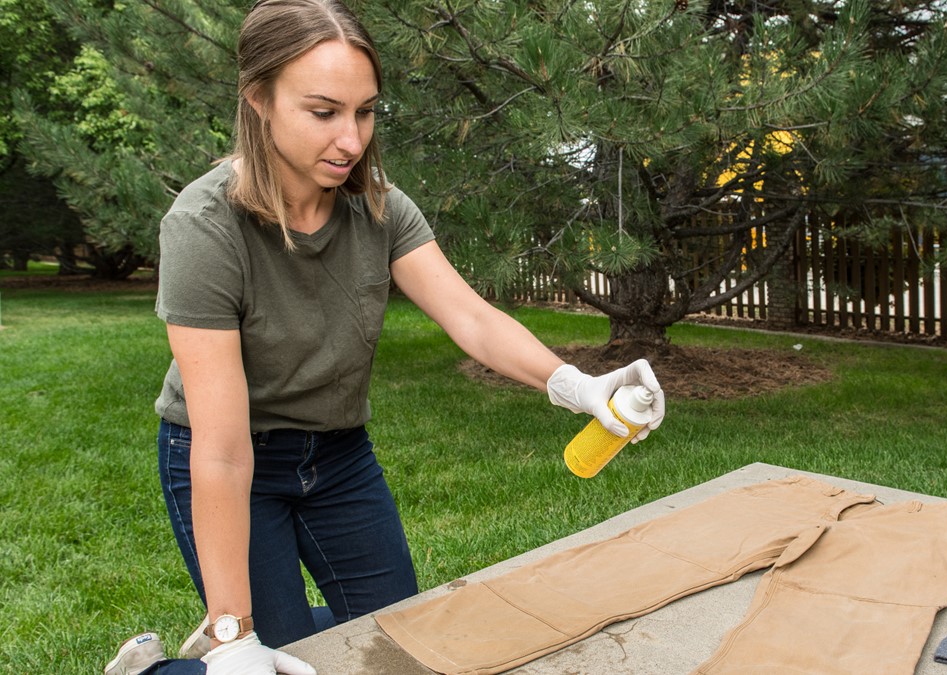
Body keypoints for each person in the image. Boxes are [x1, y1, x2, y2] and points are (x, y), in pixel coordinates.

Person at [104, 1, 665, 673]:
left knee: (400, 648)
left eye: (365, 112)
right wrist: (233, 629)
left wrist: (577, 384)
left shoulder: (378, 208)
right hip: (229, 456)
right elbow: (221, 452)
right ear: (259, 100)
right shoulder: (203, 227)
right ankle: (169, 664)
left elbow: (472, 317)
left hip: (338, 457)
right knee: (267, 658)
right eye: (324, 112)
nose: (351, 139)